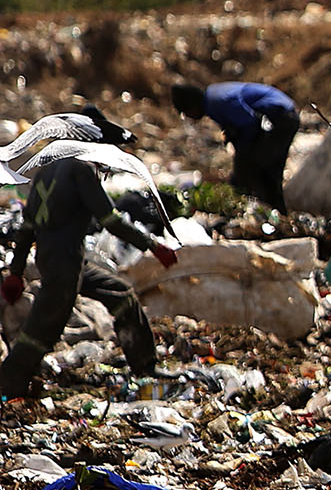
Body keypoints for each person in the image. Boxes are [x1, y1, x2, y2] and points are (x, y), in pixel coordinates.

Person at [0, 143, 180, 398]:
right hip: (66, 263)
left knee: (121, 295)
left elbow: (26, 227)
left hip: (60, 259)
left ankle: (145, 367)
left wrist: (16, 272)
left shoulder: (47, 171)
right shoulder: (80, 170)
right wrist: (152, 245)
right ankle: (8, 383)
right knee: (44, 328)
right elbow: (111, 219)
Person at [170, 81, 299, 212]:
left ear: (192, 106)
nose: (190, 117)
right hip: (280, 116)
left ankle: (276, 212)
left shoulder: (218, 102)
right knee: (259, 169)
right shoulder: (212, 99)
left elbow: (250, 124)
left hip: (283, 117)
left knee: (260, 168)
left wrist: (242, 155)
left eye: (187, 113)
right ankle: (274, 209)